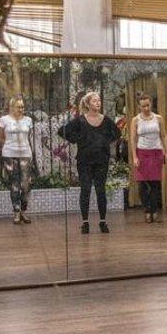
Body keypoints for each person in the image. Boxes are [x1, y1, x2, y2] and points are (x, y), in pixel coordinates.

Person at [58, 91, 120, 234]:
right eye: (94, 101)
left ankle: (103, 221)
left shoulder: (106, 120)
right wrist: (77, 139)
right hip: (84, 161)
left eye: (99, 101)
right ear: (87, 104)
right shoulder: (80, 120)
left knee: (100, 190)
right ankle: (85, 222)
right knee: (85, 190)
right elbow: (63, 131)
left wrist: (104, 142)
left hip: (101, 160)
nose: (98, 103)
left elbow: (117, 133)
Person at [129, 93, 167, 223]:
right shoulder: (135, 120)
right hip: (142, 152)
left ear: (151, 104)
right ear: (139, 107)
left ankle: (154, 210)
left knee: (155, 184)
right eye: (143, 106)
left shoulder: (158, 118)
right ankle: (147, 209)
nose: (146, 108)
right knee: (142, 185)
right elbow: (133, 139)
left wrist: (166, 152)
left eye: (148, 105)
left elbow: (163, 136)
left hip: (156, 152)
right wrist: (134, 156)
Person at [0, 95, 34, 224]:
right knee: (14, 184)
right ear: (11, 107)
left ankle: (24, 211)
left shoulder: (28, 120)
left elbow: (28, 137)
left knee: (26, 184)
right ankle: (16, 213)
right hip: (10, 154)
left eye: (23, 107)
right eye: (18, 107)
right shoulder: (3, 120)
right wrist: (10, 144)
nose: (21, 109)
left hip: (25, 153)